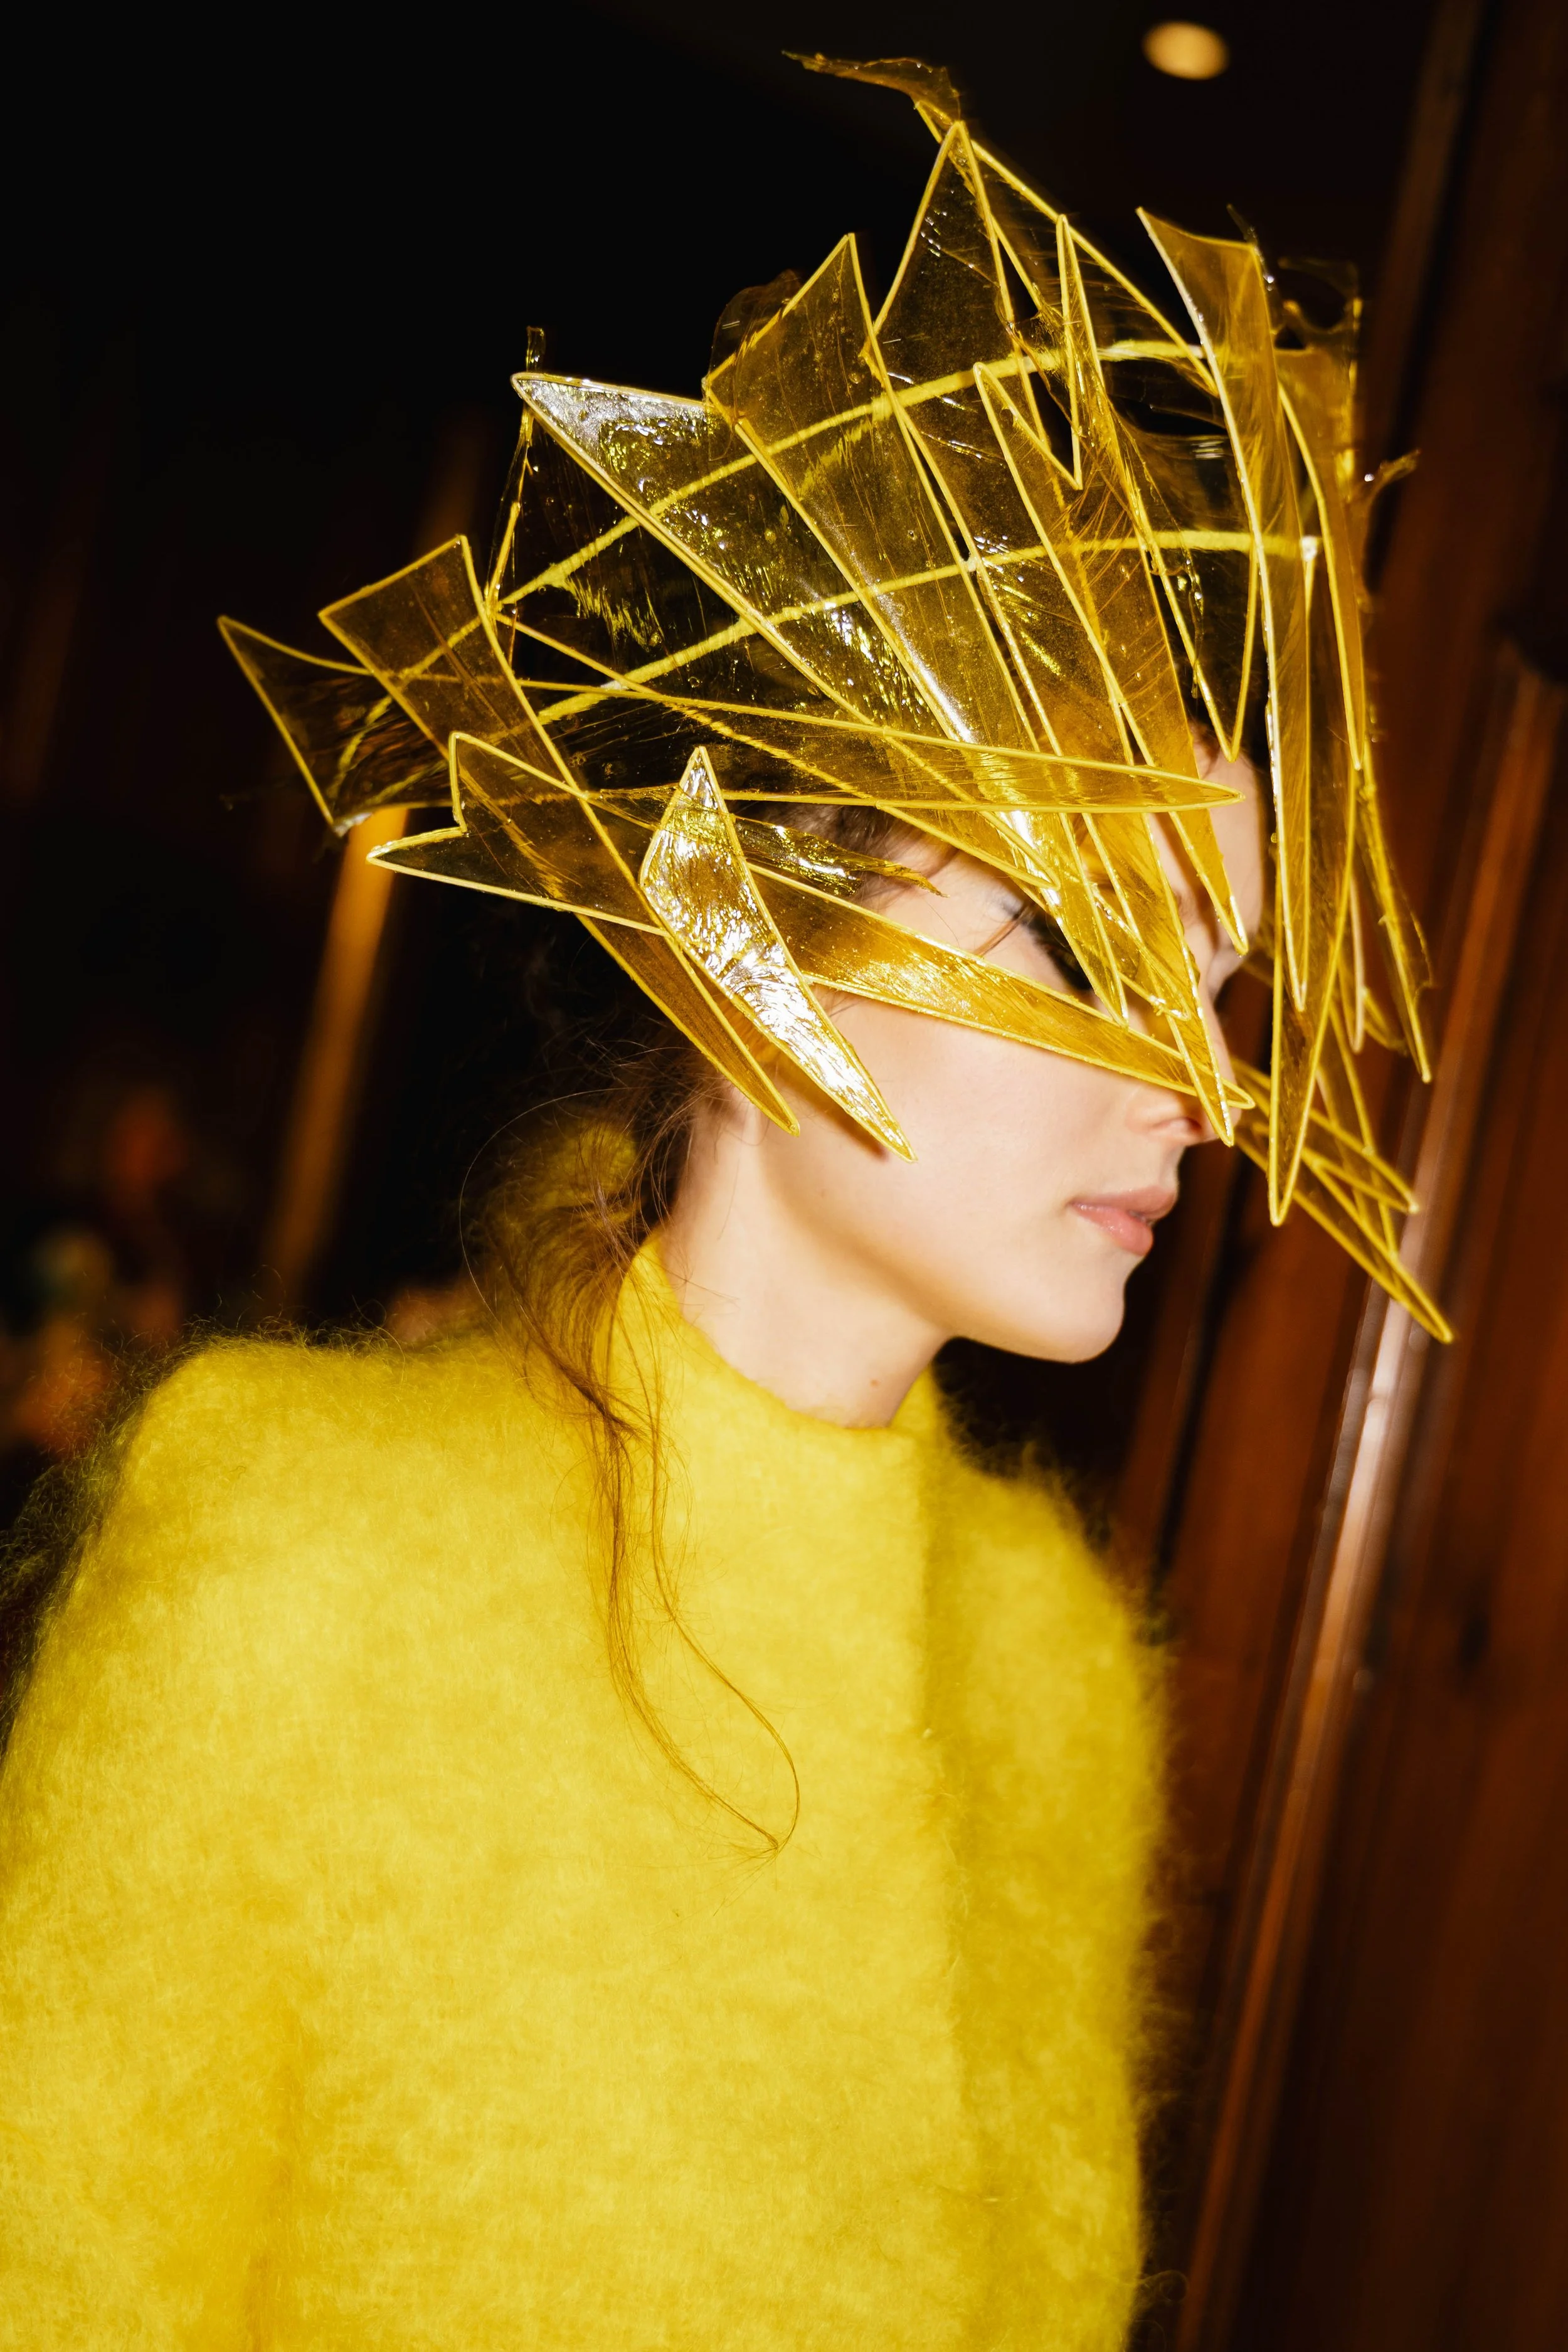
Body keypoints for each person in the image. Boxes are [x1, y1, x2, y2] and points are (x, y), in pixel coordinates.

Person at [0, 56, 1442, 2352]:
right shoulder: (289, 1558)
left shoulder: (1058, 1670)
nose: (1208, 1081)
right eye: (1085, 941)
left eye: (1223, 982)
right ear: (741, 923)